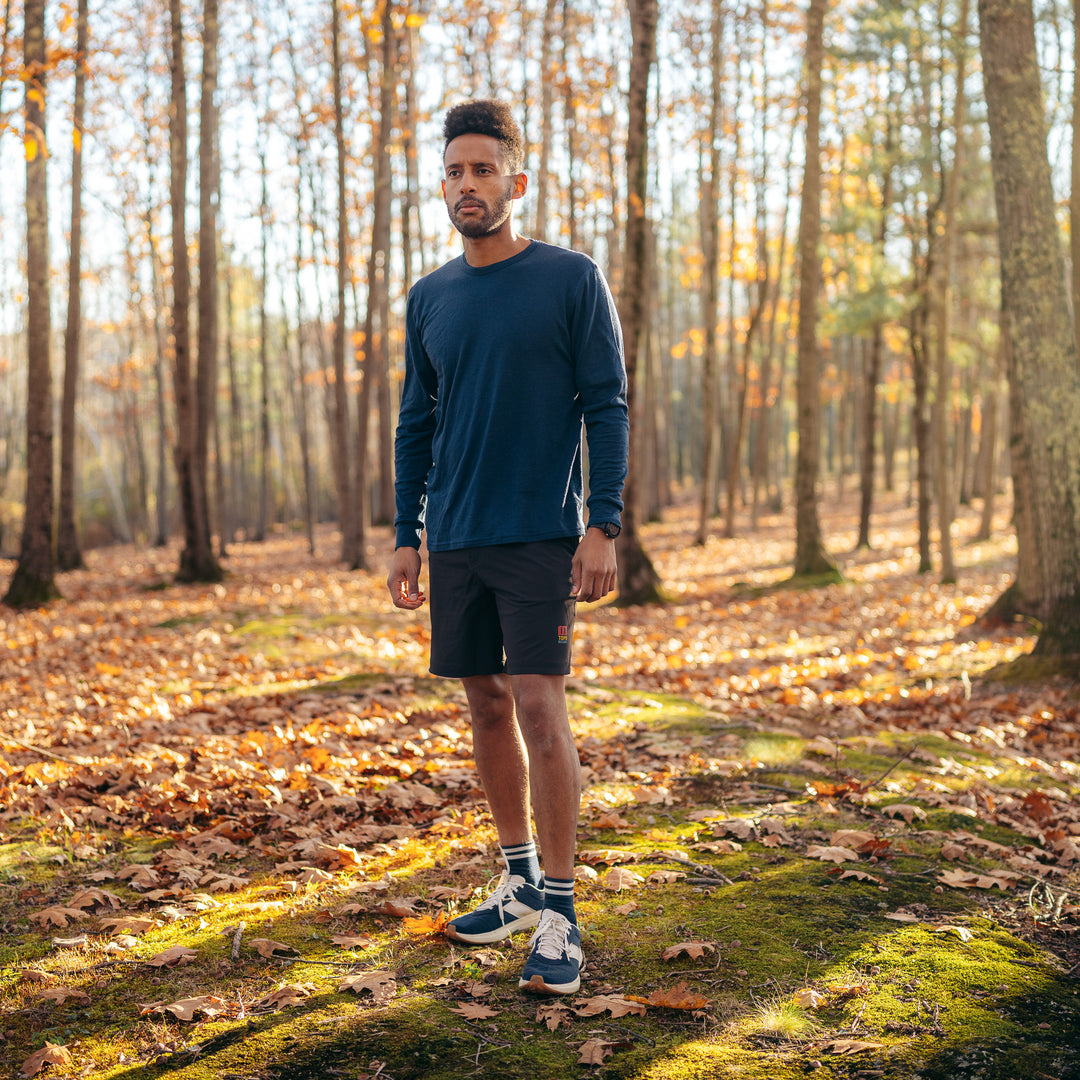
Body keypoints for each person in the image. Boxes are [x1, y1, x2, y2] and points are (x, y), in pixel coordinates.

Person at [387, 99, 628, 997]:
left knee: (538, 704)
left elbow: (605, 403)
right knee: (484, 704)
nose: (467, 185)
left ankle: (561, 912)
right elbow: (417, 422)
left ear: (515, 183)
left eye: (483, 170)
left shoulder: (570, 278)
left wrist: (603, 521)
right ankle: (520, 881)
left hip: (538, 529)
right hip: (452, 535)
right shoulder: (430, 297)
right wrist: (406, 535)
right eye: (454, 172)